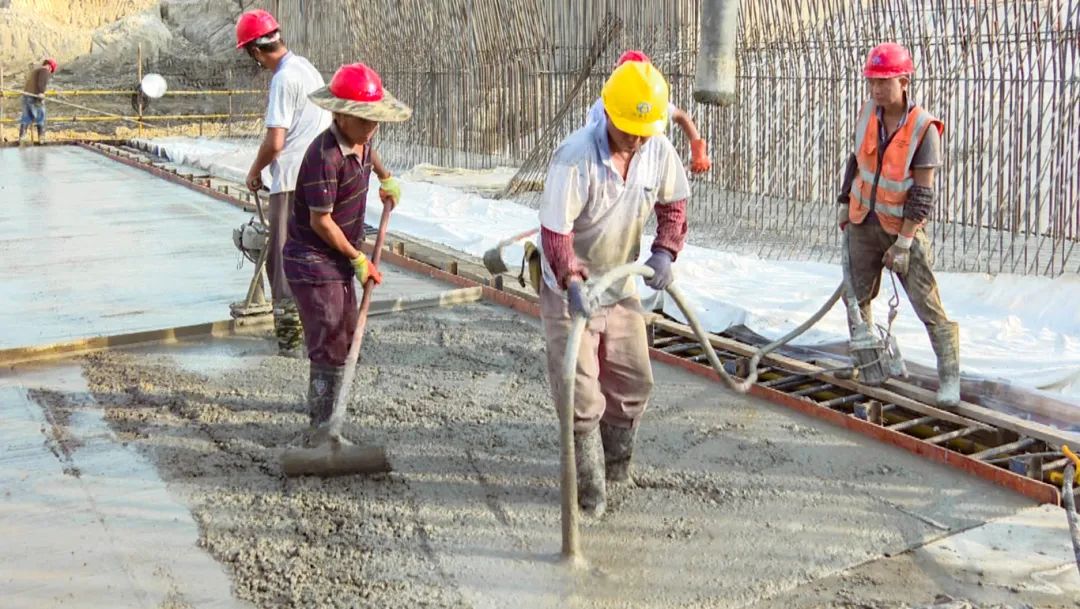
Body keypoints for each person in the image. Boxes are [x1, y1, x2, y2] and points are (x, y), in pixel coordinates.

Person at [539, 61, 690, 517]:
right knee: (581, 393)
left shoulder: (657, 148)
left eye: (644, 132)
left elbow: (674, 204)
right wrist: (570, 279)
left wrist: (665, 251)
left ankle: (617, 471)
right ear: (607, 113)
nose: (637, 141)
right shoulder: (575, 157)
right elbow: (556, 233)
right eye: (629, 131)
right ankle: (590, 489)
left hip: (620, 281)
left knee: (632, 381)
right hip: (571, 286)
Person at [282, 62, 410, 442]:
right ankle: (322, 429)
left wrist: (386, 178)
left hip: (338, 256)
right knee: (329, 341)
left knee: (345, 333)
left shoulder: (360, 138)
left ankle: (330, 418)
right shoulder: (325, 157)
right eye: (364, 119)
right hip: (312, 261)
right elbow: (321, 222)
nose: (372, 127)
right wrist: (357, 259)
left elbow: (369, 151)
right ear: (339, 114)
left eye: (375, 120)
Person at [837, 42, 959, 409]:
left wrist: (905, 242)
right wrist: (843, 203)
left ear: (904, 81)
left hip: (901, 227)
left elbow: (922, 193)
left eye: (883, 82)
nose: (875, 89)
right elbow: (855, 161)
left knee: (927, 304)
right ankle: (866, 363)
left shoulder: (923, 128)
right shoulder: (867, 114)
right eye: (872, 82)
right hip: (862, 221)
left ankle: (949, 377)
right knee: (855, 298)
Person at [236, 8, 330, 357]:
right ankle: (323, 331)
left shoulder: (283, 78)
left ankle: (290, 341)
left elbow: (276, 141)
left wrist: (254, 171)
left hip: (291, 181)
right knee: (315, 255)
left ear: (255, 52)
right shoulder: (306, 68)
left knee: (283, 260)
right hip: (320, 178)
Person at [584, 50, 711, 174]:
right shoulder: (603, 107)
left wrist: (698, 151)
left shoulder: (648, 101)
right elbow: (592, 145)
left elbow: (681, 117)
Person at [19, 58, 56, 144]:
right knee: (40, 116)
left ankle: (22, 137)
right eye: (51, 70)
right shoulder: (44, 70)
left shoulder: (36, 70)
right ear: (50, 67)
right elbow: (41, 83)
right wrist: (41, 93)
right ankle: (41, 138)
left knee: (26, 117)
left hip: (26, 95)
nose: (50, 72)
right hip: (35, 96)